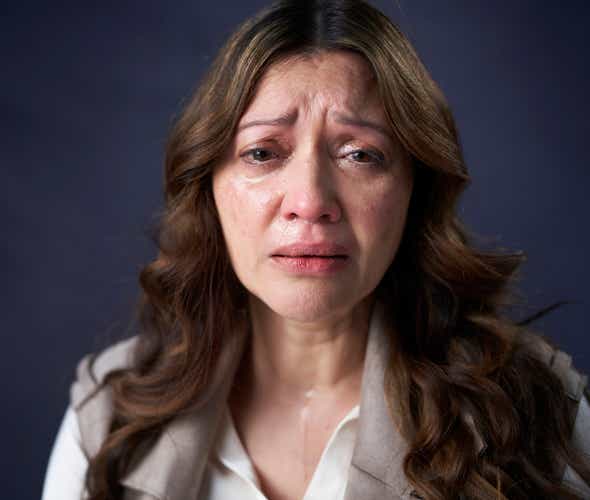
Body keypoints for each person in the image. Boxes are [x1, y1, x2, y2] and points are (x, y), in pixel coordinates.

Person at [41, 1, 590, 499]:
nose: (309, 201)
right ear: (207, 184)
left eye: (359, 155)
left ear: (414, 189)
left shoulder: (536, 410)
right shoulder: (110, 416)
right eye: (261, 152)